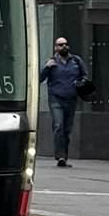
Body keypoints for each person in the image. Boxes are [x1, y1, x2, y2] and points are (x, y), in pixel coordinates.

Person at [39, 37, 87, 168]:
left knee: (67, 128)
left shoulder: (76, 61)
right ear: (56, 48)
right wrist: (46, 68)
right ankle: (59, 155)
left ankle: (64, 156)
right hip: (56, 99)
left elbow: (84, 76)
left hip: (71, 99)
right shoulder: (51, 62)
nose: (64, 47)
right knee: (59, 125)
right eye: (61, 45)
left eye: (66, 44)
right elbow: (39, 78)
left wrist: (80, 83)